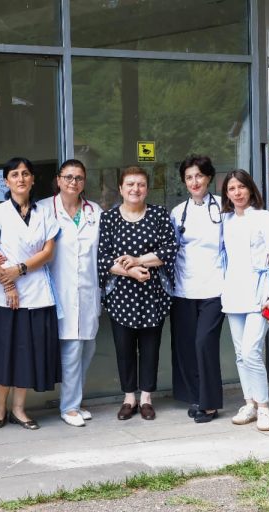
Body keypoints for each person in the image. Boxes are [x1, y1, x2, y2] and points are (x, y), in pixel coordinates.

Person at [0, 157, 60, 431]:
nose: (21, 179)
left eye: (26, 174)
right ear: (6, 181)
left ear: (33, 179)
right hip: (3, 296)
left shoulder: (44, 213)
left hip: (36, 293)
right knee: (4, 352)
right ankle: (0, 408)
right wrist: (9, 285)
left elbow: (48, 253)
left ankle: (19, 409)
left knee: (26, 353)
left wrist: (20, 269)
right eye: (14, 174)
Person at [97, 166, 177, 421]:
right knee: (124, 348)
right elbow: (102, 258)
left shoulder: (158, 214)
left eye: (141, 184)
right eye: (130, 184)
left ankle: (146, 398)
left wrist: (138, 260)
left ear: (147, 188)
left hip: (153, 293)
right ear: (121, 189)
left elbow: (169, 249)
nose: (135, 189)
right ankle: (129, 397)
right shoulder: (109, 218)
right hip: (121, 294)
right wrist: (130, 271)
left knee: (150, 348)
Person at [36, 159, 101, 427]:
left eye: (79, 178)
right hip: (57, 290)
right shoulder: (43, 209)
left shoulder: (94, 211)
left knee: (87, 348)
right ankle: (69, 407)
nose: (73, 182)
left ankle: (75, 400)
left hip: (88, 290)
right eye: (68, 177)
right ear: (58, 180)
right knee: (71, 350)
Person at [220, 169, 269, 432]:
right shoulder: (225, 221)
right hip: (233, 292)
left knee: (250, 351)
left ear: (250, 189)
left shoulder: (264, 218)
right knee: (240, 354)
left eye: (241, 187)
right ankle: (249, 404)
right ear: (226, 193)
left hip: (260, 293)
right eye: (232, 188)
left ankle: (264, 407)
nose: (237, 192)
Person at [169, 155, 225, 423]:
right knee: (187, 348)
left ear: (209, 178)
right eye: (189, 177)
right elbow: (169, 250)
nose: (194, 182)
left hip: (215, 288)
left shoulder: (223, 209)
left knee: (205, 344)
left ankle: (210, 403)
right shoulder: (177, 212)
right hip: (183, 290)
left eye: (199, 176)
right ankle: (197, 398)